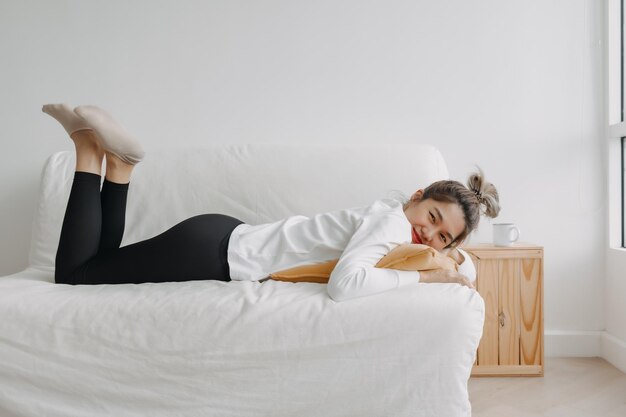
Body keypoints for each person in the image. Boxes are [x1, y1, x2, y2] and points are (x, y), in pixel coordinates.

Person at [42, 104, 500, 302]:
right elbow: (346, 286)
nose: (429, 235)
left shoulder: (390, 208)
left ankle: (118, 168)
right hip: (214, 252)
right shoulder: (390, 227)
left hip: (221, 238)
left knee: (102, 266)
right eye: (433, 218)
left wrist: (449, 258)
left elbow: (462, 264)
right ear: (417, 197)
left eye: (442, 238)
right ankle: (87, 150)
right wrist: (425, 276)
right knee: (76, 277)